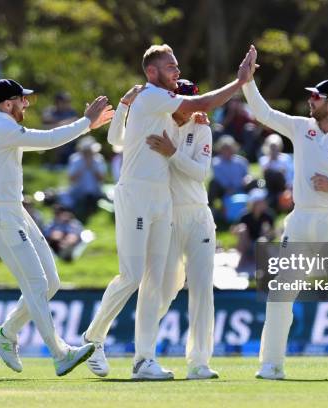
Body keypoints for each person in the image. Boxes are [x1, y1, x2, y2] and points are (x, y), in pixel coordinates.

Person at [83, 44, 257, 380]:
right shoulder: (151, 98)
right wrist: (239, 84)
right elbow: (122, 138)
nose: (177, 72)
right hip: (135, 194)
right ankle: (94, 337)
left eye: (178, 67)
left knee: (152, 281)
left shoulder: (167, 111)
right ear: (152, 72)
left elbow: (191, 114)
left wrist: (131, 110)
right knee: (132, 276)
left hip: (163, 200)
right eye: (171, 67)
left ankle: (144, 360)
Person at [241, 45, 328, 380]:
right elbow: (264, 113)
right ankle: (271, 364)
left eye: (317, 98)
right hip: (301, 220)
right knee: (281, 293)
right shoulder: (301, 127)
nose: (310, 102)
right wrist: (247, 83)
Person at [0, 78, 113, 376]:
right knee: (37, 285)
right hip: (1, 216)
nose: (26, 104)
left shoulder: (5, 127)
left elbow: (50, 137)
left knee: (50, 283)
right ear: (7, 104)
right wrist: (86, 123)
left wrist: (85, 124)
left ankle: (6, 332)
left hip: (14, 211)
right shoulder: (2, 127)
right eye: (22, 99)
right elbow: (50, 139)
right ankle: (59, 353)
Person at [106, 78, 219, 379]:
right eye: (182, 100)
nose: (187, 108)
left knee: (201, 289)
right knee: (160, 288)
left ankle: (199, 363)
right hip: (166, 216)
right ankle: (144, 355)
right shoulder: (156, 121)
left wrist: (172, 152)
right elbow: (118, 141)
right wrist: (124, 106)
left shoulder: (202, 127)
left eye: (190, 101)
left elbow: (200, 172)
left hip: (197, 216)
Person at [62, 136, 107, 222]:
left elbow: (101, 178)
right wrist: (83, 166)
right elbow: (71, 178)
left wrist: (92, 167)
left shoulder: (98, 159)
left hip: (95, 192)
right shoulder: (75, 159)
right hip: (77, 191)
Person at [42, 91, 79, 165]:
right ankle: (54, 164)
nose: (67, 103)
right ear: (57, 102)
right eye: (64, 101)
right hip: (51, 139)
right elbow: (44, 126)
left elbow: (76, 123)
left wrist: (57, 124)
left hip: (68, 141)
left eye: (68, 101)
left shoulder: (71, 112)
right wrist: (64, 123)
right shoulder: (49, 110)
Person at [258, 133, 293, 210]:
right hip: (269, 186)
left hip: (283, 185)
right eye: (272, 148)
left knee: (278, 174)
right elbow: (262, 177)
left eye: (275, 147)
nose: (274, 150)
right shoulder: (264, 160)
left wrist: (288, 188)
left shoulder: (286, 158)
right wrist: (270, 160)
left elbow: (289, 174)